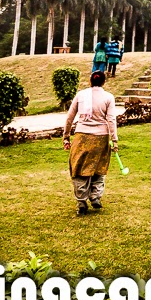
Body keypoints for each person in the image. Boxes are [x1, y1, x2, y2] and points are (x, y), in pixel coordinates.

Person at [63, 70, 118, 215]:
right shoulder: (108, 97)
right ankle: (95, 197)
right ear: (104, 82)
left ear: (90, 81)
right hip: (101, 138)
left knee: (79, 168)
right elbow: (111, 120)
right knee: (99, 167)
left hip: (82, 137)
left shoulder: (81, 95)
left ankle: (81, 202)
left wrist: (66, 136)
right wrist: (115, 140)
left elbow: (70, 117)